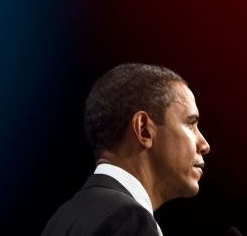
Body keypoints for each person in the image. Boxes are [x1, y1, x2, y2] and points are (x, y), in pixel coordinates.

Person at [42, 63, 211, 235]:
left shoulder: (62, 218)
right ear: (144, 130)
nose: (204, 145)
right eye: (190, 124)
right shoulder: (130, 220)